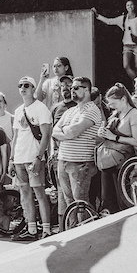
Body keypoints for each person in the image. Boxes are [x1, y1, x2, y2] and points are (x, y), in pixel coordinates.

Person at [8, 76, 53, 241]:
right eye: (20, 85)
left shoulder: (41, 108)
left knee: (39, 193)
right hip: (19, 159)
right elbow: (15, 137)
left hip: (33, 158)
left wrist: (38, 157)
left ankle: (46, 229)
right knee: (25, 194)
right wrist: (12, 159)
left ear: (34, 88)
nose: (23, 88)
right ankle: (31, 228)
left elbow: (46, 135)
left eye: (26, 85)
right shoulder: (19, 110)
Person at [52, 76, 103, 215]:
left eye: (76, 88)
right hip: (63, 161)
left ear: (86, 90)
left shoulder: (92, 110)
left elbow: (75, 130)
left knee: (80, 202)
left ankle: (86, 232)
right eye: (71, 88)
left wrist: (67, 132)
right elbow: (54, 131)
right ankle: (72, 231)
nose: (71, 90)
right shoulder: (70, 111)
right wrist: (67, 134)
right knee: (69, 202)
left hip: (81, 164)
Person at [96, 84, 137, 213]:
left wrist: (114, 137)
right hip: (109, 162)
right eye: (109, 104)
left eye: (113, 103)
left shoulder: (134, 114)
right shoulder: (117, 114)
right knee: (109, 201)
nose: (111, 106)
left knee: (122, 201)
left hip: (123, 163)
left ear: (123, 99)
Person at [92, 1, 137, 80]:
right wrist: (97, 15)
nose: (130, 7)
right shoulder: (123, 18)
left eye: (131, 5)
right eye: (128, 5)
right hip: (127, 45)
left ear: (134, 6)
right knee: (126, 66)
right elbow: (109, 21)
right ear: (126, 7)